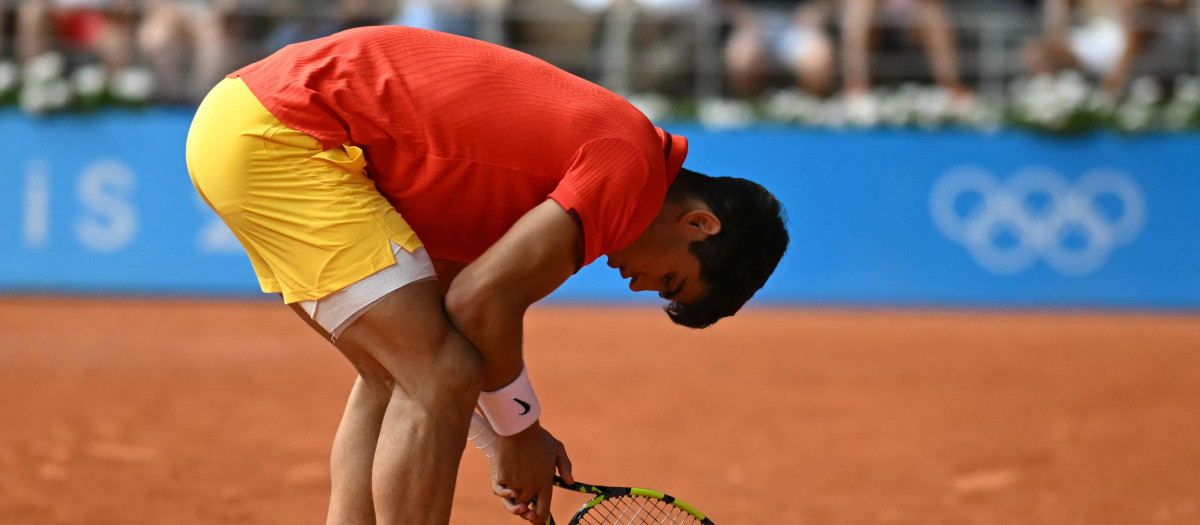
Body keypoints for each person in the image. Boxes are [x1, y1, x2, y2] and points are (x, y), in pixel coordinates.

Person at [185, 25, 788, 525]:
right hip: (286, 134)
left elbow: (456, 312)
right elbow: (479, 302)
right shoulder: (628, 168)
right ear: (700, 225)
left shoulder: (573, 184)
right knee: (437, 372)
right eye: (669, 282)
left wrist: (506, 435)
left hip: (253, 121)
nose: (638, 285)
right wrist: (520, 430)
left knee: (399, 372)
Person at [1024, 0, 1189, 97]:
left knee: (1137, 21)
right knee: (1037, 52)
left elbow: (1180, 4)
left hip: (1147, 31)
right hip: (1098, 32)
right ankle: (1053, 109)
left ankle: (1110, 96)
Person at [724, 0, 835, 97]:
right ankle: (751, 111)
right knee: (742, 61)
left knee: (816, 64)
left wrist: (816, 12)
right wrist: (743, 16)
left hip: (800, 24)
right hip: (754, 23)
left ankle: (811, 114)